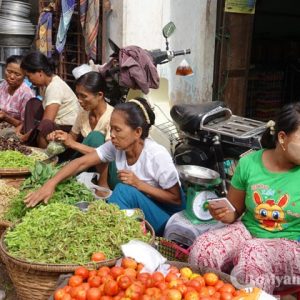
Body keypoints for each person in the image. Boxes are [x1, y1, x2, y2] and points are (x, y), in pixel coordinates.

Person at [24, 97, 186, 235]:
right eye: (111, 128)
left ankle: (108, 232)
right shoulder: (116, 147)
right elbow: (81, 162)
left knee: (123, 191)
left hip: (168, 219)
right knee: (121, 193)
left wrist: (139, 184)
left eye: (117, 130)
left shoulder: (157, 155)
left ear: (137, 132)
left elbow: (176, 199)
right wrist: (50, 184)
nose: (112, 135)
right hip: (143, 207)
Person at [188, 103, 300, 294]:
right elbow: (235, 210)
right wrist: (225, 213)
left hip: (291, 244)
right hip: (248, 230)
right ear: (282, 137)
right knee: (204, 248)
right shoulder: (249, 163)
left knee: (253, 256)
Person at [48, 71, 115, 188]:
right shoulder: (84, 112)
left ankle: (103, 185)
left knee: (95, 136)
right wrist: (60, 137)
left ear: (100, 95)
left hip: (109, 168)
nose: (79, 100)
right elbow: (71, 138)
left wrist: (73, 144)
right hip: (89, 163)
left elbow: (107, 154)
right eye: (78, 95)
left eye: (83, 96)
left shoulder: (112, 116)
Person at [19, 51, 80, 148]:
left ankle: (43, 155)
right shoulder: (46, 85)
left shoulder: (54, 87)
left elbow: (47, 120)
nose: (29, 80)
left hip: (68, 129)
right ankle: (30, 142)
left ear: (39, 72)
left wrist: (25, 136)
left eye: (29, 76)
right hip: (57, 124)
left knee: (45, 124)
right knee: (33, 103)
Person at [0, 55, 35, 129]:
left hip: (14, 131)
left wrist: (6, 117)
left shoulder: (27, 95)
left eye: (17, 74)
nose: (11, 77)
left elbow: (26, 126)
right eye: (9, 72)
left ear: (25, 75)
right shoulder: (3, 85)